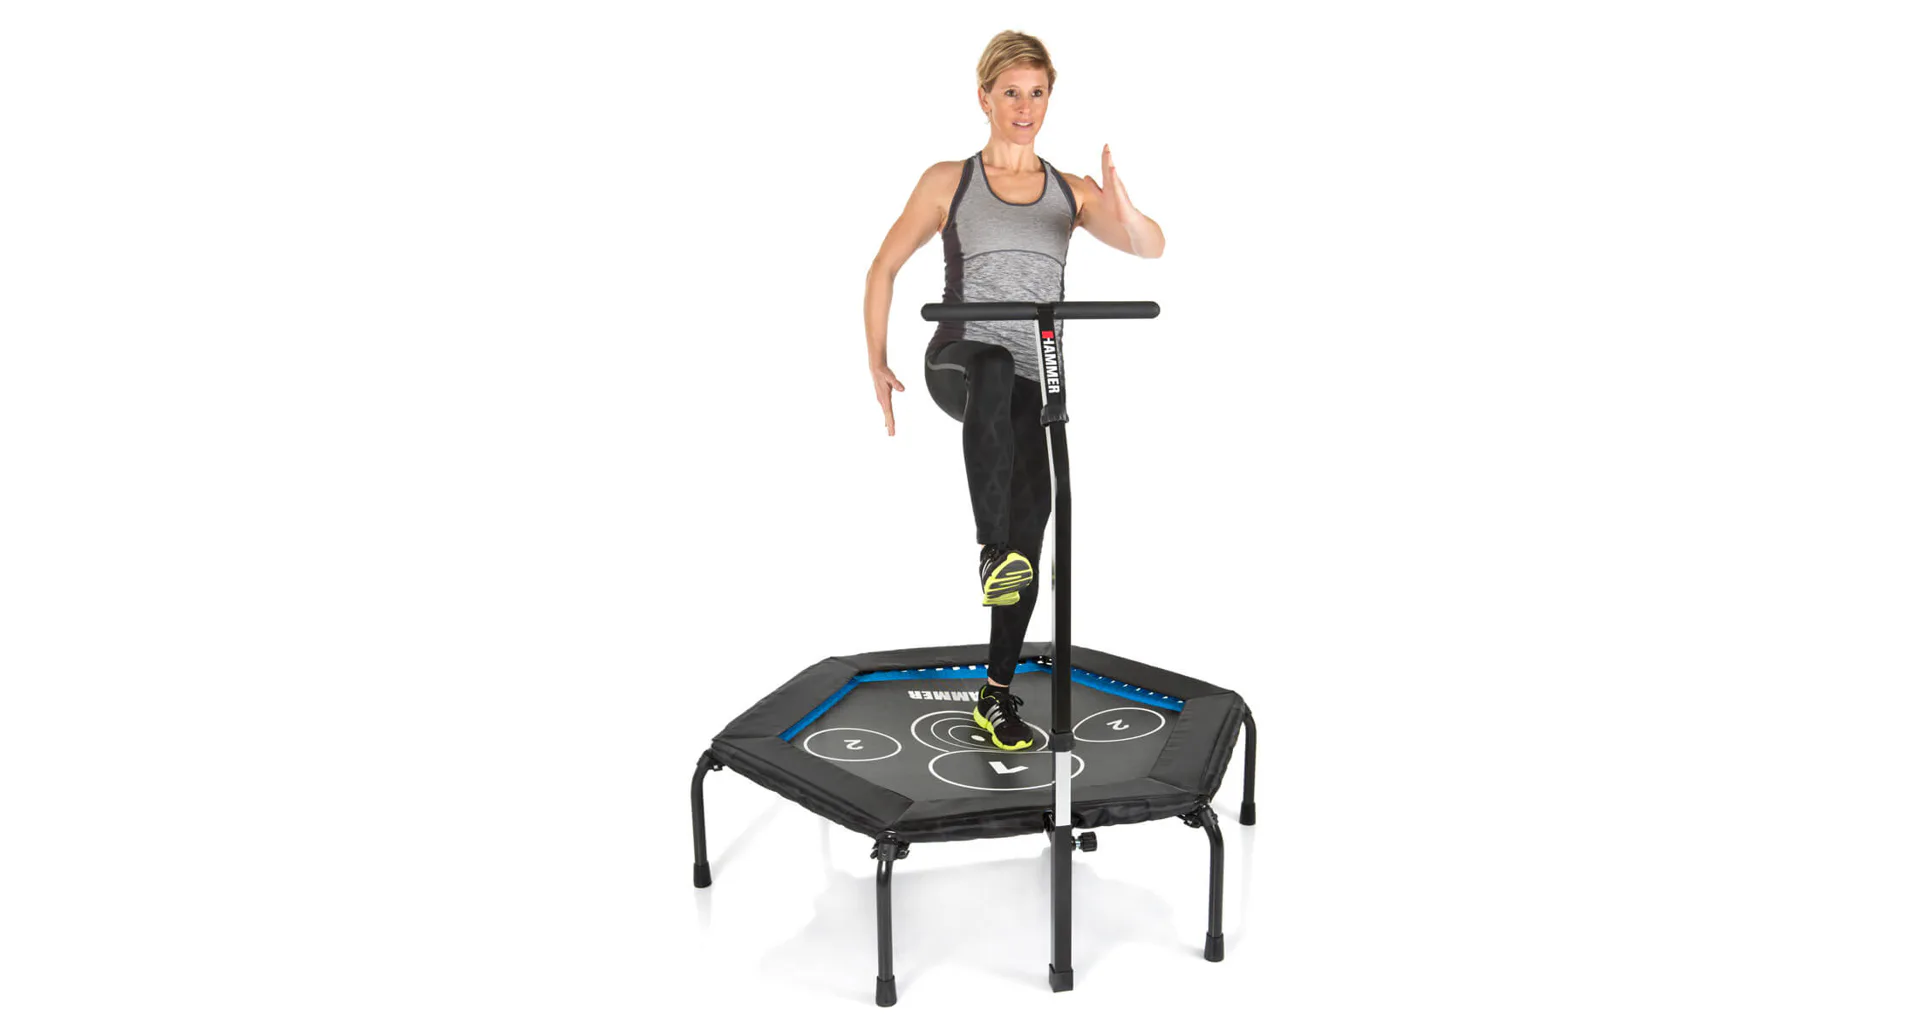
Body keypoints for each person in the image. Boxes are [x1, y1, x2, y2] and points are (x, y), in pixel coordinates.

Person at [862, 31, 1165, 751]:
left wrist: (1123, 206)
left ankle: (995, 694)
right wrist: (876, 361)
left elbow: (1151, 246)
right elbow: (883, 267)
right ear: (985, 98)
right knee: (995, 366)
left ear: (1048, 99)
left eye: (1037, 94)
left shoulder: (1070, 192)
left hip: (1033, 380)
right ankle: (990, 549)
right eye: (1011, 93)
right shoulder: (950, 181)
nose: (1025, 108)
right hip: (960, 362)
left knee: (1037, 513)